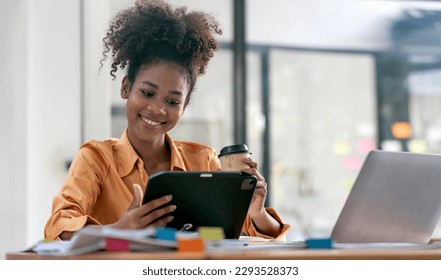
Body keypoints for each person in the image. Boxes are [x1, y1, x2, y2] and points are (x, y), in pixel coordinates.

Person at [44, 0, 290, 241]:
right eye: (147, 93)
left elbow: (246, 232)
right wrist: (117, 229)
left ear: (184, 106)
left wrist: (256, 212)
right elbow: (59, 225)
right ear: (126, 88)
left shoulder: (203, 160)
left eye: (172, 101)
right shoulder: (96, 158)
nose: (158, 109)